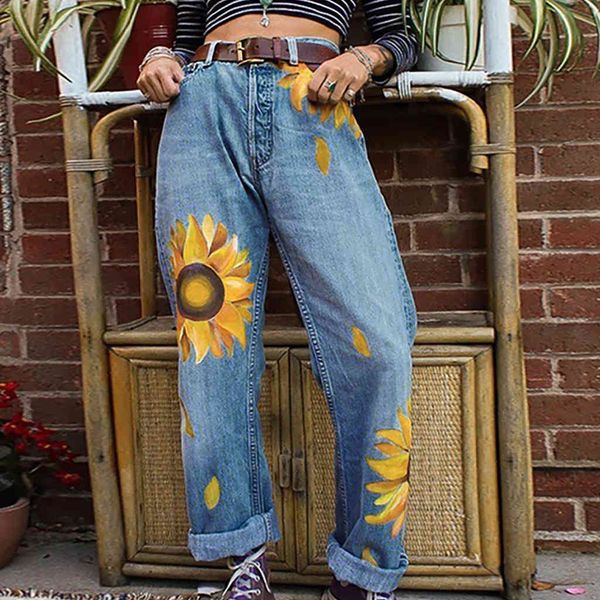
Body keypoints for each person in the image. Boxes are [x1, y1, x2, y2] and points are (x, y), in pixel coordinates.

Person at [136, 2, 419, 599]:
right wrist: (160, 58)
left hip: (311, 101)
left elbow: (402, 37)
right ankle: (242, 560)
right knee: (210, 343)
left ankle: (364, 571)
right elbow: (180, 37)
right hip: (203, 110)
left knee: (378, 344)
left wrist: (365, 59)